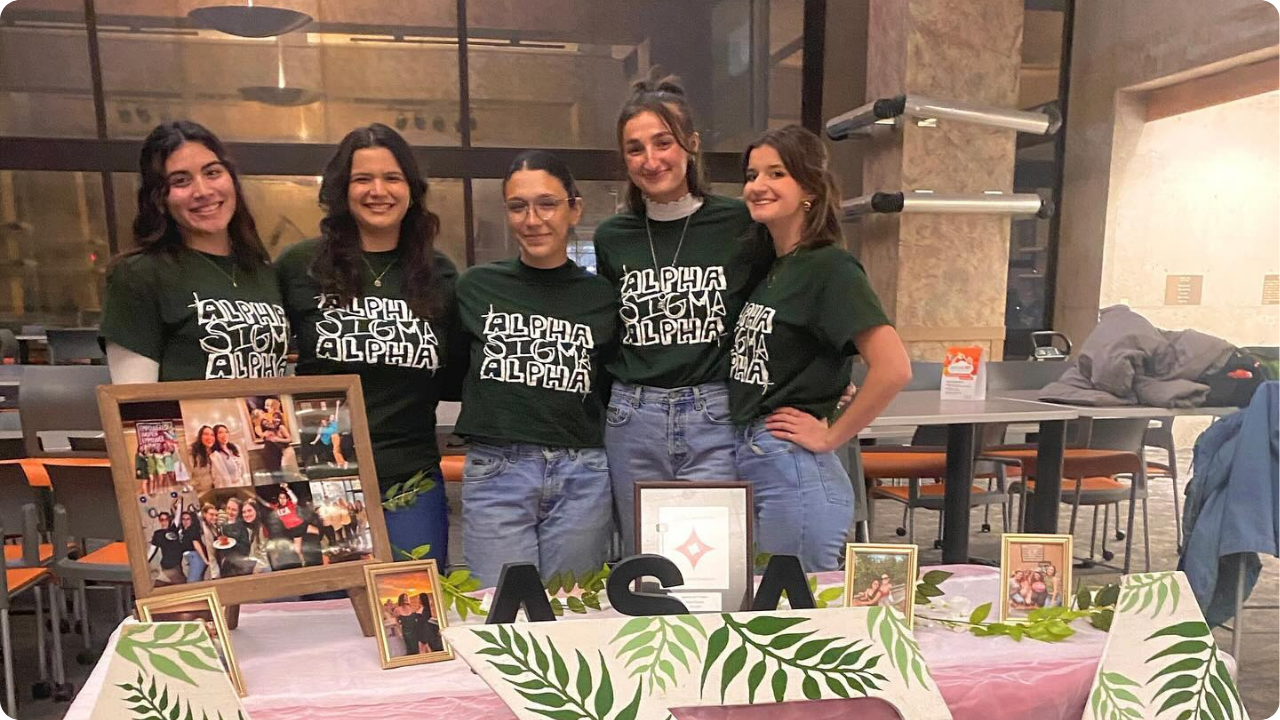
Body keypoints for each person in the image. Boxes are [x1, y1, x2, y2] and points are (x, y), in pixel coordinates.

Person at [593, 69, 775, 554]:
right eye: (635, 149)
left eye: (663, 143)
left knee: (714, 565)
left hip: (713, 412)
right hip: (634, 417)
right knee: (645, 562)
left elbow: (777, 306)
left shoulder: (739, 222)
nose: (650, 160)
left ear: (690, 145)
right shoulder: (613, 236)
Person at [729, 125, 911, 572]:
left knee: (794, 622)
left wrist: (832, 434)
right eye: (752, 175)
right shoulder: (776, 269)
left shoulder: (830, 267)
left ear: (809, 188)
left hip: (796, 473)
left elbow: (893, 367)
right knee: (769, 615)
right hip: (763, 464)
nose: (758, 186)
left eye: (776, 174)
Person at [276, 123, 458, 563]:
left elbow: (457, 369)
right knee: (324, 614)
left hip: (409, 478)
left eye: (392, 178)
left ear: (411, 189)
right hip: (322, 476)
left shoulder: (440, 275)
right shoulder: (299, 267)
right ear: (343, 190)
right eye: (363, 179)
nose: (379, 190)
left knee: (414, 609)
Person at [453, 150, 618, 588]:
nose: (532, 219)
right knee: (501, 616)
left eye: (547, 204)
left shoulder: (603, 296)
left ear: (574, 209)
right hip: (497, 472)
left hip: (583, 474)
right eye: (518, 206)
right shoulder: (475, 287)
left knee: (572, 615)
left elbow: (610, 383)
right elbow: (453, 368)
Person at [101, 120, 289, 383]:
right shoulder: (138, 275)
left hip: (264, 422)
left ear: (232, 180)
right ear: (159, 198)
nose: (202, 191)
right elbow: (135, 405)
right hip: (194, 425)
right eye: (181, 180)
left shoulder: (261, 270)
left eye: (212, 173)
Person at [148, 512, 186, 585]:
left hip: (177, 564)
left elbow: (178, 516)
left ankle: (159, 583)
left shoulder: (173, 529)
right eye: (162, 520)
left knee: (179, 583)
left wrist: (178, 503)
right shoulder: (158, 534)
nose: (164, 522)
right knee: (182, 584)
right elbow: (151, 551)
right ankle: (157, 584)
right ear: (159, 521)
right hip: (169, 565)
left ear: (169, 520)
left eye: (166, 519)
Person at [178, 510, 212, 583]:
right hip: (193, 559)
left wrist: (205, 560)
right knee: (198, 583)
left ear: (192, 521)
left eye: (188, 519)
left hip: (196, 558)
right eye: (183, 519)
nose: (185, 521)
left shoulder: (192, 530)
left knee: (191, 583)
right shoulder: (185, 531)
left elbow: (196, 544)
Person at [188, 426, 217, 495]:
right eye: (206, 434)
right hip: (198, 493)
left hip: (212, 492)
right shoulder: (192, 452)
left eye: (212, 435)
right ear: (200, 436)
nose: (209, 437)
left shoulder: (214, 453)